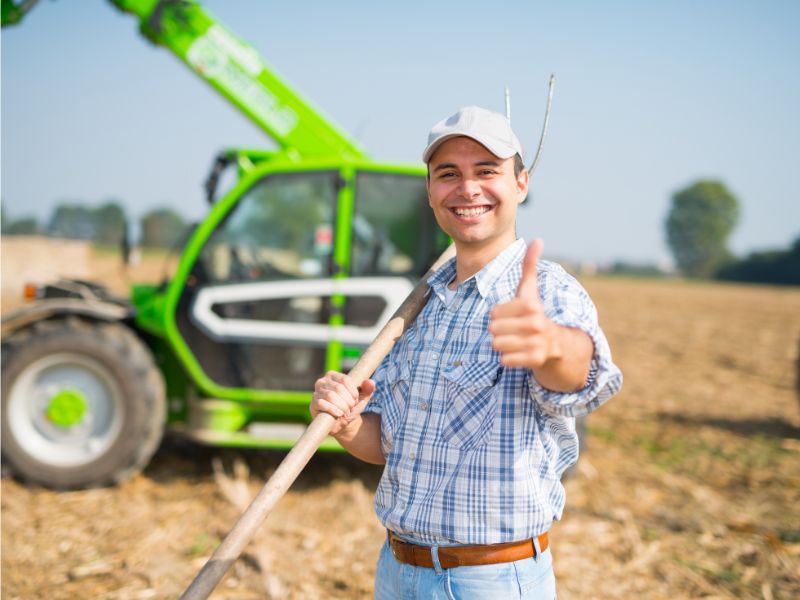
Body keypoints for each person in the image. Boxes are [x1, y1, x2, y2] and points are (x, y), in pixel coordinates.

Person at [310, 106, 623, 599]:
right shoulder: (421, 305)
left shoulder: (545, 291)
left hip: (490, 580)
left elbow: (580, 373)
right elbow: (385, 445)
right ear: (431, 192)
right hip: (397, 570)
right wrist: (347, 423)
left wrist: (549, 346)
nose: (468, 188)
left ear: (520, 184)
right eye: (448, 174)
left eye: (487, 171)